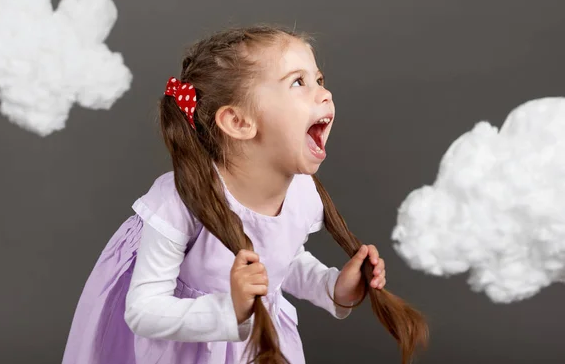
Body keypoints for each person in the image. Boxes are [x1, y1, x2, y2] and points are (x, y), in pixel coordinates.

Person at [62, 25, 427, 364]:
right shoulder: (181, 199)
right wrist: (229, 310)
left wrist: (333, 287)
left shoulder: (302, 194)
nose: (324, 92)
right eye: (298, 83)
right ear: (238, 122)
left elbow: (281, 261)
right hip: (191, 349)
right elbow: (142, 310)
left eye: (319, 78)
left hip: (259, 346)